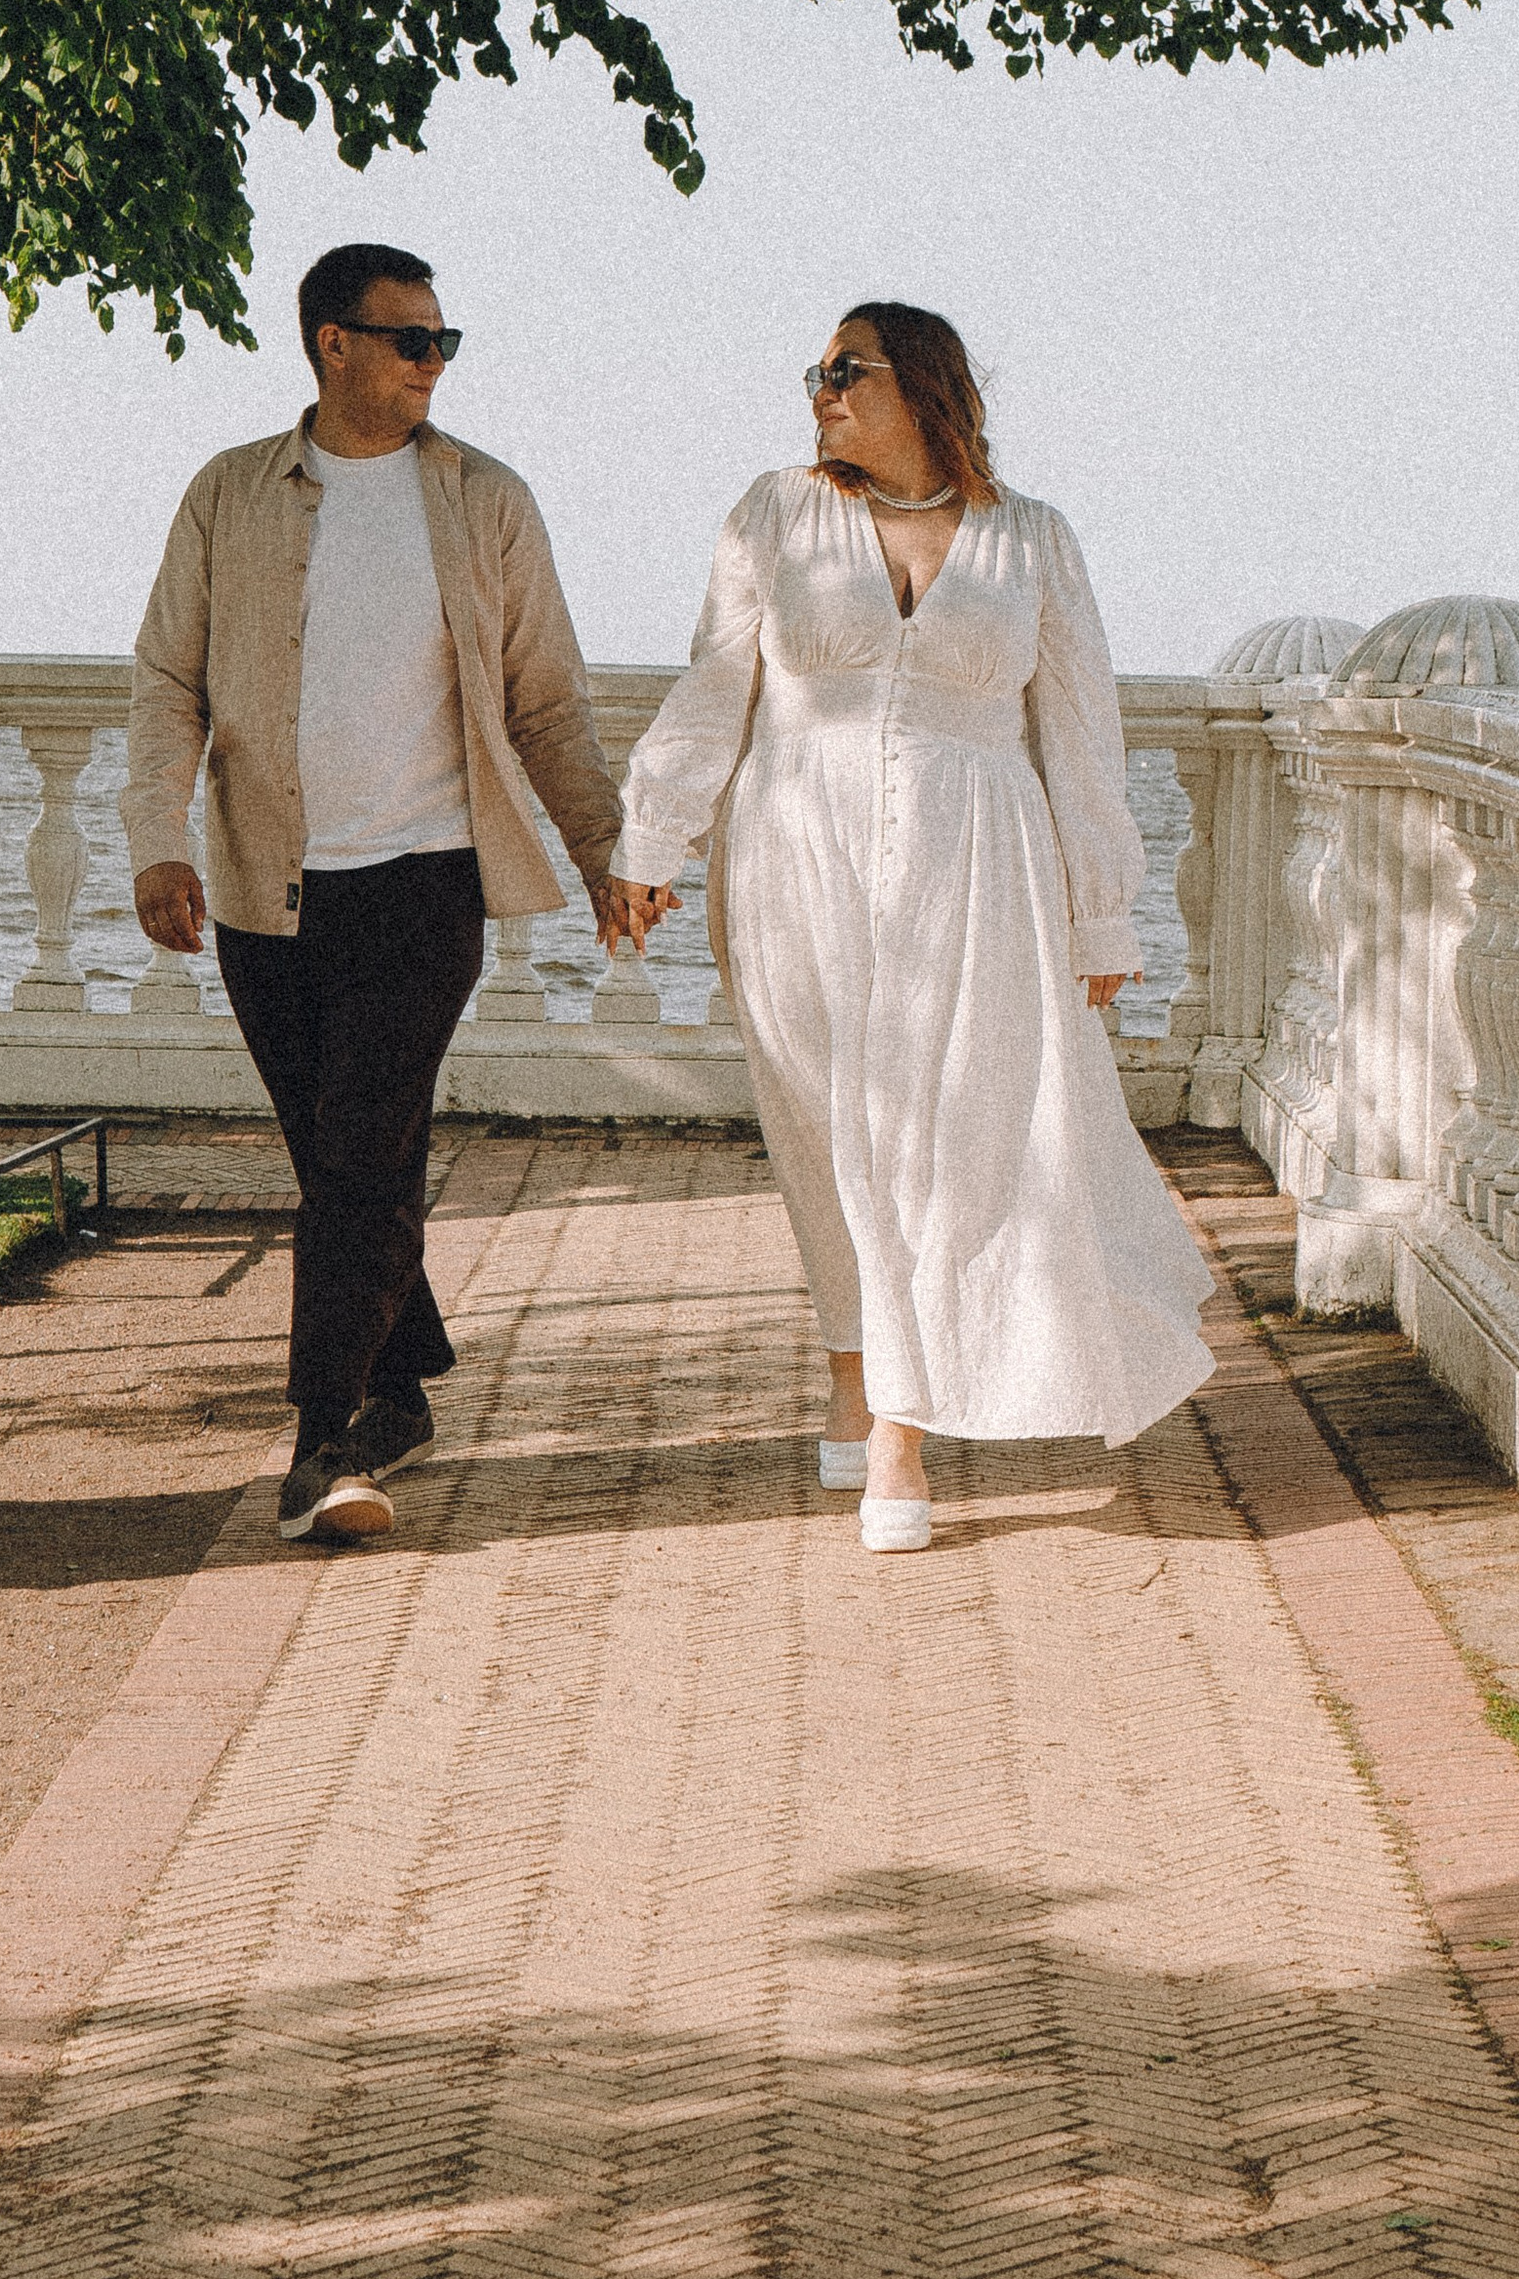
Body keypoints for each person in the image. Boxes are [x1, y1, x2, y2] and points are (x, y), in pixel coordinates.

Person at [606, 302, 1213, 1551]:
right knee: (829, 1129)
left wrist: (1102, 912)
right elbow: (718, 680)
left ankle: (899, 1431)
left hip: (976, 864)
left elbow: (1082, 738)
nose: (821, 389)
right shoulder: (774, 513)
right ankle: (855, 1364)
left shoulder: (1031, 539)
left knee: (946, 1135)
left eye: (849, 369)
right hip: (792, 849)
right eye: (816, 371)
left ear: (924, 386)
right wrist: (651, 842)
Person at [127, 242, 624, 1548]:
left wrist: (603, 854)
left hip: (424, 885)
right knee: (343, 1157)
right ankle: (397, 1383)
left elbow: (549, 705)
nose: (434, 365)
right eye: (412, 340)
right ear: (331, 343)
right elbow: (166, 682)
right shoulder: (230, 497)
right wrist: (155, 840)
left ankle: (319, 1445)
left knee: (354, 1169)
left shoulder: (483, 503)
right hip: (264, 892)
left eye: (445, 342)